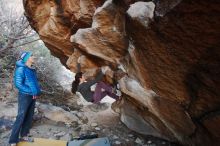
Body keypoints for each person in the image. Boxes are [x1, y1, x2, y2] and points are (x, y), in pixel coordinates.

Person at [9, 52, 41, 146]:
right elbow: (18, 84)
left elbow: (33, 83)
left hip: (33, 96)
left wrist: (37, 91)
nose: (33, 57)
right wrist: (31, 92)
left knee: (29, 116)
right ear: (27, 58)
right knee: (21, 116)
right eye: (31, 55)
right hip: (25, 95)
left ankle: (24, 135)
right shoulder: (21, 69)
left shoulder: (32, 69)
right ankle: (13, 140)